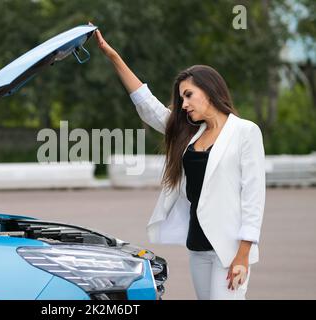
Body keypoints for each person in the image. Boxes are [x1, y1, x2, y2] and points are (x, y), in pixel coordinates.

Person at [91, 26, 265, 300]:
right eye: (181, 97)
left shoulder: (245, 132)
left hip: (229, 251)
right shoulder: (189, 133)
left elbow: (254, 199)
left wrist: (242, 255)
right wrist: (113, 56)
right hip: (197, 247)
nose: (183, 104)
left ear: (209, 91)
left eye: (188, 95)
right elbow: (147, 106)